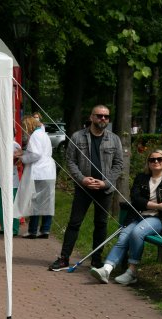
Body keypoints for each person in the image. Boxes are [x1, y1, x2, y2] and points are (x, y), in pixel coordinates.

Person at [90, 150, 162, 284]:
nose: (156, 162)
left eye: (160, 159)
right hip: (138, 216)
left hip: (160, 219)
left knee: (137, 233)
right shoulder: (141, 177)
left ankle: (132, 272)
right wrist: (157, 206)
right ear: (148, 163)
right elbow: (136, 199)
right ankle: (106, 269)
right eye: (152, 160)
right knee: (124, 235)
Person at [50, 105, 123, 271]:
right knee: (74, 223)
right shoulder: (77, 137)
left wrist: (106, 182)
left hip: (104, 190)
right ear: (91, 117)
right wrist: (82, 179)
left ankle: (97, 260)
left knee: (101, 224)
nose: (103, 119)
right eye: (99, 116)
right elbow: (70, 161)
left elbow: (118, 164)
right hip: (84, 188)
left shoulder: (114, 139)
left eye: (106, 117)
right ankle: (64, 258)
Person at [15, 115, 56, 239]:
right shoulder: (44, 135)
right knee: (47, 201)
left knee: (35, 201)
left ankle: (32, 230)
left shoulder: (35, 136)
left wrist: (22, 158)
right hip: (49, 170)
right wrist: (25, 153)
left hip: (39, 171)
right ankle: (45, 230)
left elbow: (36, 155)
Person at [0, 132, 21, 236]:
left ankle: (14, 229)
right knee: (0, 205)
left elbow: (19, 162)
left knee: (11, 204)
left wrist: (15, 159)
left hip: (10, 179)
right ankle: (4, 228)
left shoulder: (15, 145)